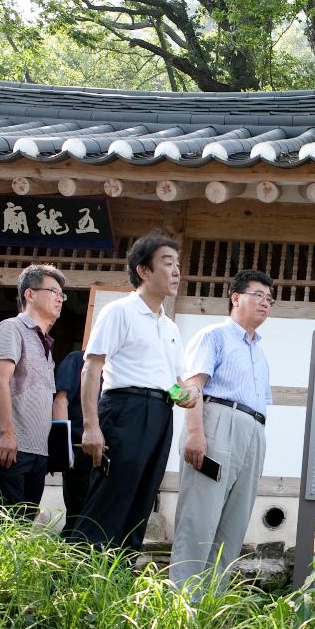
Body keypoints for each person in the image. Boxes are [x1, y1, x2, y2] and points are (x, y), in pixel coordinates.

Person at [67, 231, 200, 552]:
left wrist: (185, 393)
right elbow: (92, 367)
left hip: (160, 415)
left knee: (142, 500)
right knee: (111, 498)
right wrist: (90, 425)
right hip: (123, 411)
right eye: (167, 263)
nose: (176, 271)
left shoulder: (169, 328)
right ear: (143, 270)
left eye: (178, 264)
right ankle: (78, 579)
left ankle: (119, 580)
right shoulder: (119, 312)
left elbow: (167, 380)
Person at [170, 269, 274, 595]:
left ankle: (210, 609)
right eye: (258, 295)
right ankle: (182, 606)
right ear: (236, 297)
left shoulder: (259, 352)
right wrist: (196, 433)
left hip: (253, 432)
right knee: (199, 519)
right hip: (217, 423)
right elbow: (187, 386)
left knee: (233, 525)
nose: (265, 303)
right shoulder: (213, 336)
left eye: (269, 299)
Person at [0, 264, 66, 516]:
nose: (60, 298)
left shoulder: (44, 341)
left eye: (62, 294)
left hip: (36, 453)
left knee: (21, 530)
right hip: (9, 447)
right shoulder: (11, 328)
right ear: (30, 294)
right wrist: (5, 433)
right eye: (53, 291)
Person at [52, 349, 92, 535]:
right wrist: (64, 449)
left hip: (110, 451)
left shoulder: (123, 366)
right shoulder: (77, 359)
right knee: (78, 515)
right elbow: (61, 400)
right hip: (79, 447)